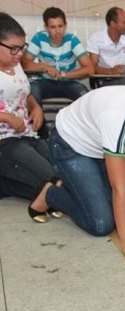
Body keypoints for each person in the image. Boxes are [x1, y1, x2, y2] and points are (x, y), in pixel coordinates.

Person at [30, 69, 125, 261]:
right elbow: (118, 188)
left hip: (102, 148)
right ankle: (50, 193)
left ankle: (75, 185)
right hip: (71, 146)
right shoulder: (118, 115)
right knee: (100, 224)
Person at [0, 12, 62, 223]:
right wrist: (6, 117)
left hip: (26, 134)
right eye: (13, 49)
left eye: (22, 47)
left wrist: (36, 108)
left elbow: (25, 94)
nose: (20, 54)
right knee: (49, 176)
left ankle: (9, 184)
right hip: (4, 142)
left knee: (62, 168)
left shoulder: (16, 66)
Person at [21, 7, 94, 109]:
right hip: (44, 82)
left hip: (69, 82)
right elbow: (25, 63)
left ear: (65, 26)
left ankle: (77, 124)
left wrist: (64, 75)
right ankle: (40, 124)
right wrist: (45, 67)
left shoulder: (72, 40)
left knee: (85, 97)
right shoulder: (39, 38)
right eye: (52, 27)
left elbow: (89, 69)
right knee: (31, 93)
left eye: (60, 26)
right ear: (46, 28)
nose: (58, 31)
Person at [87, 7, 125, 87]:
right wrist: (111, 71)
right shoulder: (96, 38)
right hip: (106, 81)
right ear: (113, 23)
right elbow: (91, 68)